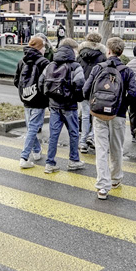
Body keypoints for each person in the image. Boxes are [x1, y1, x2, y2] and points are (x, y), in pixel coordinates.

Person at [83, 37, 136, 199]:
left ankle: (102, 186)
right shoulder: (127, 71)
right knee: (116, 148)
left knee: (101, 149)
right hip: (118, 114)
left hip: (99, 113)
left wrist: (95, 103)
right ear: (121, 52)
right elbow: (134, 93)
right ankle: (115, 179)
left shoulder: (98, 68)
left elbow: (85, 90)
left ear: (108, 51)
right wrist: (122, 104)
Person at [39, 38, 86, 173]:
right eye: (76, 50)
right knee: (74, 133)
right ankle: (73, 161)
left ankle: (50, 163)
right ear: (71, 50)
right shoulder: (75, 66)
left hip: (54, 106)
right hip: (69, 106)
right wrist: (76, 99)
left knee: (53, 135)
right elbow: (80, 85)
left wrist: (50, 98)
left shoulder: (50, 65)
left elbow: (41, 83)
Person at [14, 36, 51, 168]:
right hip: (39, 100)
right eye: (44, 46)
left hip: (26, 98)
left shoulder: (22, 61)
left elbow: (16, 81)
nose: (45, 49)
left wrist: (26, 91)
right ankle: (24, 157)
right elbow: (48, 82)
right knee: (33, 127)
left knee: (31, 127)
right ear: (39, 48)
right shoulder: (44, 62)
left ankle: (36, 151)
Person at [76, 32, 107, 153]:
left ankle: (83, 142)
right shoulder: (102, 56)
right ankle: (92, 136)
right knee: (95, 114)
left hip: (83, 89)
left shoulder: (80, 55)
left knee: (84, 115)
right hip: (96, 90)